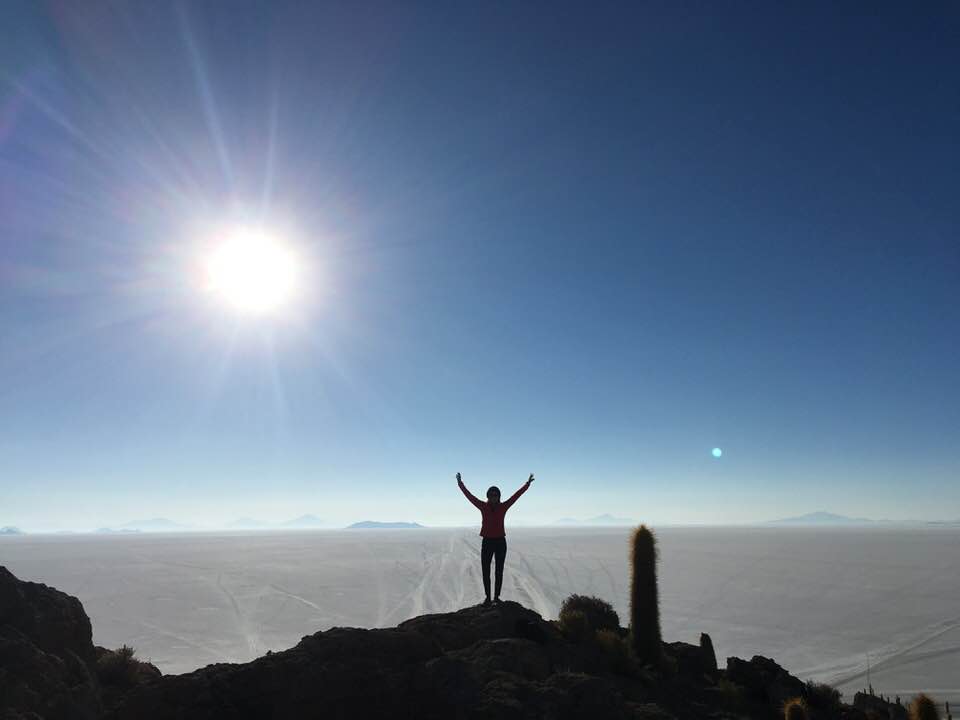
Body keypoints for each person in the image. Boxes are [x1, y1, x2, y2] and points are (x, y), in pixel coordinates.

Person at [456, 471, 534, 606]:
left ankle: (496, 597)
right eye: (491, 495)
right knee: (485, 570)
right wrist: (460, 484)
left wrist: (527, 485)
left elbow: (516, 496)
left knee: (499, 571)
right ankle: (488, 598)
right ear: (488, 496)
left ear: (499, 496)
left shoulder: (503, 507)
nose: (493, 497)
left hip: (500, 542)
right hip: (487, 542)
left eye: (496, 495)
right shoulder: (483, 506)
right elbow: (470, 496)